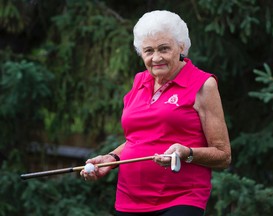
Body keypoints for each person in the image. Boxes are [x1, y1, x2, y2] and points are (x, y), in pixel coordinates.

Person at [81, 10, 231, 216]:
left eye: (164, 49)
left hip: (182, 198)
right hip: (129, 199)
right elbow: (138, 140)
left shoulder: (203, 85)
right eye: (148, 51)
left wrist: (186, 153)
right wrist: (112, 157)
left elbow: (223, 155)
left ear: (181, 47)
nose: (156, 58)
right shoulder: (139, 81)